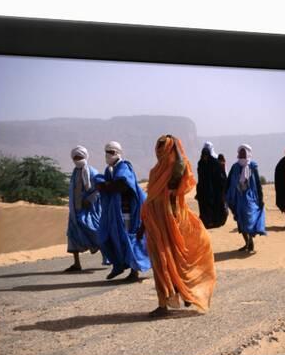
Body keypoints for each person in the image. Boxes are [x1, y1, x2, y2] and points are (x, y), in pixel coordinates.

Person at [139, 135, 217, 317]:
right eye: (157, 145)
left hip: (171, 221)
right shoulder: (156, 170)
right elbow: (151, 197)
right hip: (155, 222)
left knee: (174, 261)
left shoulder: (176, 168)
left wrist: (176, 149)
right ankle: (164, 303)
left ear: (169, 148)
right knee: (160, 262)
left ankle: (184, 293)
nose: (158, 149)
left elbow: (180, 172)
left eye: (162, 146)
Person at [95, 141, 151, 281]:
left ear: (118, 153)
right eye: (107, 152)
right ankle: (118, 266)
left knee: (128, 240)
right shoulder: (110, 169)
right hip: (114, 213)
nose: (109, 155)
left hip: (127, 212)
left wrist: (106, 185)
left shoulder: (124, 167)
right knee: (108, 238)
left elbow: (123, 185)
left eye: (112, 152)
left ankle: (134, 272)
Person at [65, 145, 105, 272]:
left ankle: (108, 257)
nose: (78, 159)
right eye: (75, 158)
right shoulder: (75, 172)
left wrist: (90, 199)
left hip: (89, 210)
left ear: (85, 156)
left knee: (95, 231)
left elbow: (100, 189)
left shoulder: (92, 172)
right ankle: (77, 263)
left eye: (80, 157)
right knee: (72, 234)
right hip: (75, 210)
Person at [225, 144, 266, 252]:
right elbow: (229, 181)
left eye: (244, 152)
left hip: (250, 199)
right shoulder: (235, 167)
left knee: (249, 220)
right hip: (237, 199)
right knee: (240, 221)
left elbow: (257, 183)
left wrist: (260, 199)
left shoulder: (252, 166)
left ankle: (250, 241)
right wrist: (226, 195)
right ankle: (247, 242)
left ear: (248, 154)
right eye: (240, 152)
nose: (242, 154)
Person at [195, 142, 228, 228]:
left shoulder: (215, 163)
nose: (205, 157)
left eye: (206, 155)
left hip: (214, 189)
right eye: (204, 155)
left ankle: (215, 221)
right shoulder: (201, 163)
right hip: (203, 188)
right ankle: (207, 221)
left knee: (215, 205)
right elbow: (200, 175)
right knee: (204, 206)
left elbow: (220, 176)